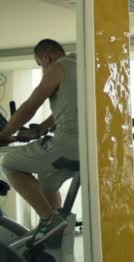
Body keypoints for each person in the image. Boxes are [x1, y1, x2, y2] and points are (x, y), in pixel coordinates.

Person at [0, 39, 78, 244]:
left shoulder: (56, 67)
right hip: (88, 149)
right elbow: (68, 110)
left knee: (9, 162)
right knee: (46, 184)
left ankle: (49, 220)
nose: (43, 68)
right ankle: (57, 233)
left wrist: (5, 133)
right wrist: (40, 129)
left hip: (67, 146)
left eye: (40, 64)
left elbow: (30, 106)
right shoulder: (83, 67)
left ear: (47, 57)